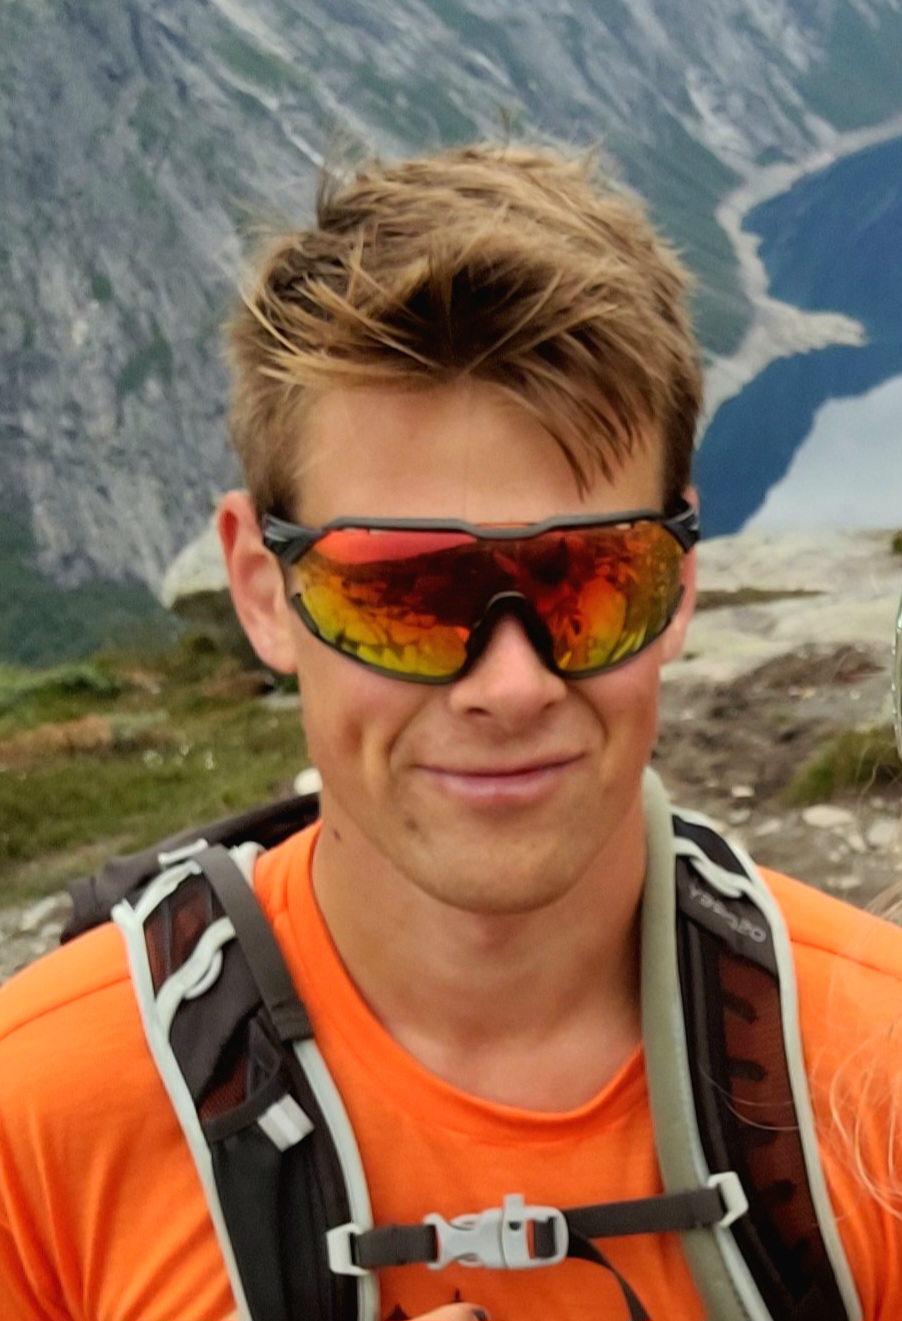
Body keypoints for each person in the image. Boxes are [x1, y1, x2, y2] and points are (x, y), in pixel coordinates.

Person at [1, 141, 902, 1321]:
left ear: (680, 580)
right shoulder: (32, 1129)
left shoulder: (880, 1069)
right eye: (403, 591)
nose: (510, 685)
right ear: (261, 591)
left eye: (589, 578)